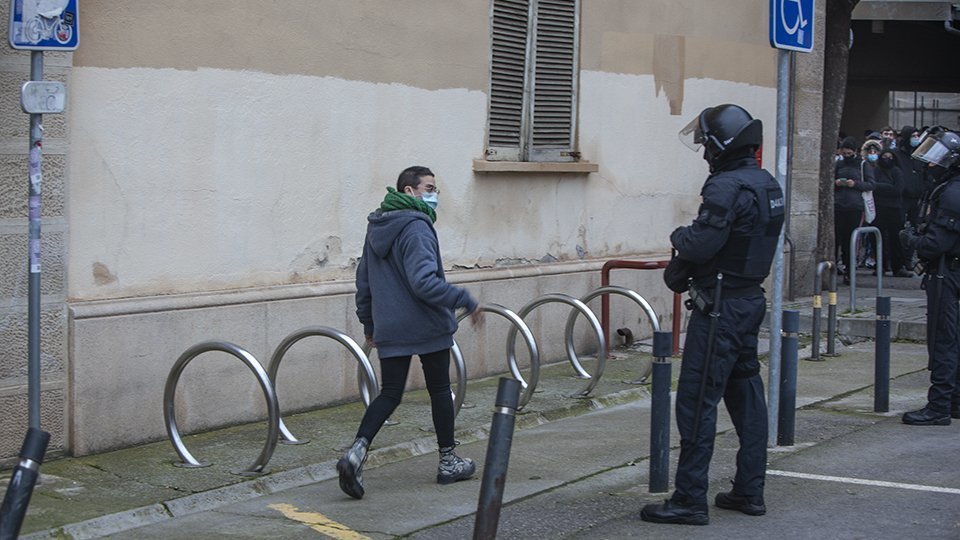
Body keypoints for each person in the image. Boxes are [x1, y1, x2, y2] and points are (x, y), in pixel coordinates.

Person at [644, 104, 784, 525]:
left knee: (696, 402)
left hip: (719, 309)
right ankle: (749, 490)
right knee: (746, 399)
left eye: (707, 143)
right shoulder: (767, 183)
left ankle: (688, 500)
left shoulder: (725, 187)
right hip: (748, 301)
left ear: (722, 145)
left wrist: (678, 235)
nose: (704, 151)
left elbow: (701, 245)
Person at [338, 165, 483, 499]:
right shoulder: (416, 227)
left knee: (389, 394)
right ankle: (448, 462)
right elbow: (424, 282)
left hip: (390, 325)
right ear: (409, 191)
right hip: (426, 323)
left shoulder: (378, 225)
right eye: (429, 188)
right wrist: (464, 299)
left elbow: (363, 283)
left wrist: (370, 325)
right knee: (440, 389)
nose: (435, 196)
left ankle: (355, 453)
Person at [899, 128, 960, 426]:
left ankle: (938, 406)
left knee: (944, 340)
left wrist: (910, 240)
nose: (931, 164)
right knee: (953, 337)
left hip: (948, 272)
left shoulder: (952, 192)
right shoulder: (952, 188)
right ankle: (953, 402)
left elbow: (936, 244)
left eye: (938, 158)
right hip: (951, 270)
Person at [834, 137, 876, 283]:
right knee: (838, 238)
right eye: (844, 153)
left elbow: (871, 184)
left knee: (851, 239)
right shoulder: (838, 164)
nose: (846, 156)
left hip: (855, 206)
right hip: (839, 205)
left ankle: (849, 270)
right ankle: (837, 268)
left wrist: (855, 184)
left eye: (849, 153)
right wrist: (837, 183)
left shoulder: (863, 165)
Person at [872, 146, 911, 277]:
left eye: (890, 157)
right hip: (879, 208)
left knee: (896, 238)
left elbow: (898, 190)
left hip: (894, 208)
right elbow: (872, 186)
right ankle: (880, 266)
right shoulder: (876, 171)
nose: (887, 160)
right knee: (878, 238)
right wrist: (888, 187)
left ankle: (898, 266)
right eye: (884, 157)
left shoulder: (897, 171)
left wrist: (882, 188)